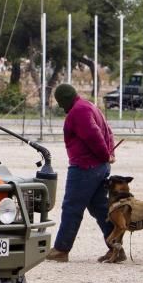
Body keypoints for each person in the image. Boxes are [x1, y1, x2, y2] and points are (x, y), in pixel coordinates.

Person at [45, 83, 122, 263]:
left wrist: (105, 154)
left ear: (64, 101)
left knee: (72, 208)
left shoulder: (78, 112)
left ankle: (61, 249)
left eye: (61, 103)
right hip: (99, 167)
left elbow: (93, 135)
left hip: (85, 167)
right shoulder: (88, 106)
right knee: (100, 208)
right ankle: (116, 248)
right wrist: (109, 154)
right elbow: (107, 131)